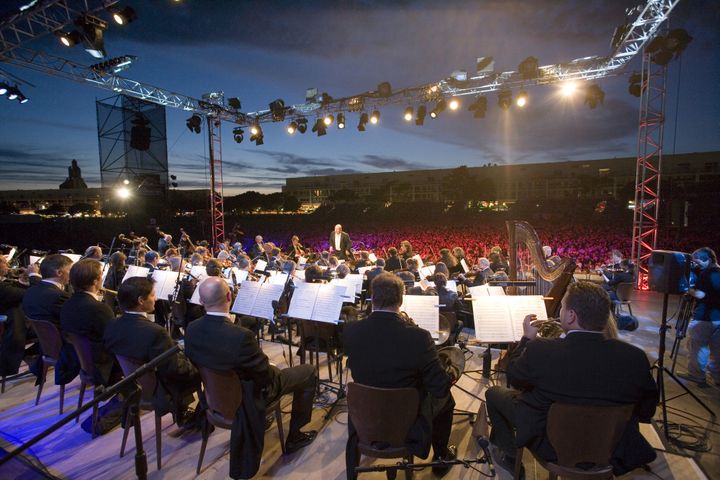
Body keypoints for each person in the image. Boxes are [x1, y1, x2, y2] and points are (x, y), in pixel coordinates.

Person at [485, 282, 658, 476]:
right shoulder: (635, 357)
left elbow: (514, 378)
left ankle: (508, 454)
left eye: (563, 307)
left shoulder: (540, 350)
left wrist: (526, 339)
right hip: (611, 448)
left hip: (551, 448)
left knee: (493, 394)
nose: (561, 311)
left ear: (571, 315)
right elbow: (646, 411)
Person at [184, 278, 318, 459]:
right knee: (308, 371)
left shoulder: (192, 329)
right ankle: (295, 436)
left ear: (201, 301)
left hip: (214, 399)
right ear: (229, 296)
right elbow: (266, 377)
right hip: (246, 401)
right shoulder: (241, 336)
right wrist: (269, 365)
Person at [343, 273, 456, 479]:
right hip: (405, 420)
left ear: (372, 298)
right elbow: (439, 387)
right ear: (401, 300)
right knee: (447, 400)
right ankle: (441, 457)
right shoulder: (419, 337)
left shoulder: (350, 331)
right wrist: (451, 371)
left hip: (366, 412)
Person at [104, 277, 200, 425]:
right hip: (156, 390)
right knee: (200, 373)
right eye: (153, 295)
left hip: (131, 385)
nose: (155, 298)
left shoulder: (112, 324)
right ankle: (195, 417)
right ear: (141, 300)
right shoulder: (155, 332)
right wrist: (197, 367)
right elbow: (174, 370)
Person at [60, 259, 119, 385]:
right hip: (101, 366)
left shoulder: (67, 304)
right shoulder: (99, 309)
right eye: (101, 277)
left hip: (78, 360)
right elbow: (114, 339)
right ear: (95, 281)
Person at [680, 247, 720, 387]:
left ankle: (696, 375)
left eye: (698, 262)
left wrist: (688, 290)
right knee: (717, 350)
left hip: (703, 317)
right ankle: (717, 377)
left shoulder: (706, 274)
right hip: (718, 318)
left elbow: (700, 295)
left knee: (698, 347)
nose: (696, 265)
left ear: (707, 260)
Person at [0, 257, 40, 376]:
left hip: (11, 323)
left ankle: (28, 356)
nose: (7, 263)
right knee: (55, 331)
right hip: (10, 327)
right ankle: (26, 355)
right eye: (2, 262)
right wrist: (33, 274)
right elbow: (33, 295)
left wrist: (22, 280)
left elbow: (12, 292)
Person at [22, 254, 73, 326]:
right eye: (70, 270)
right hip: (58, 336)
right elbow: (74, 320)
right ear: (59, 273)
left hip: (38, 335)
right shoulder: (60, 296)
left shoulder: (30, 290)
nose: (72, 273)